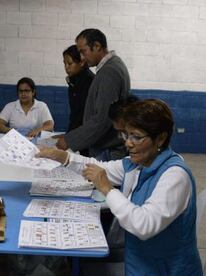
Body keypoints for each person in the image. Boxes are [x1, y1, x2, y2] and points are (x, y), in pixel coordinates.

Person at [38, 99, 203, 275]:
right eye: (127, 135)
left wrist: (107, 189)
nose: (128, 143)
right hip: (139, 262)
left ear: (161, 138)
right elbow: (100, 168)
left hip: (167, 270)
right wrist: (63, 157)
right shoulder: (136, 163)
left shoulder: (175, 175)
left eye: (137, 137)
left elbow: (144, 225)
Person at [56, 29, 130, 161]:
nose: (82, 57)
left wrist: (69, 140)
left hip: (107, 149)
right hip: (104, 146)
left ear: (97, 46)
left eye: (83, 51)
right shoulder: (111, 66)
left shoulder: (109, 72)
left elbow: (103, 118)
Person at [63, 44, 94, 155]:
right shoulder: (73, 81)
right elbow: (74, 114)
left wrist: (69, 138)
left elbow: (83, 116)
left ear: (81, 62)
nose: (66, 67)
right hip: (79, 135)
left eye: (70, 63)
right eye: (64, 63)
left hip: (88, 137)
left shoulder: (89, 82)